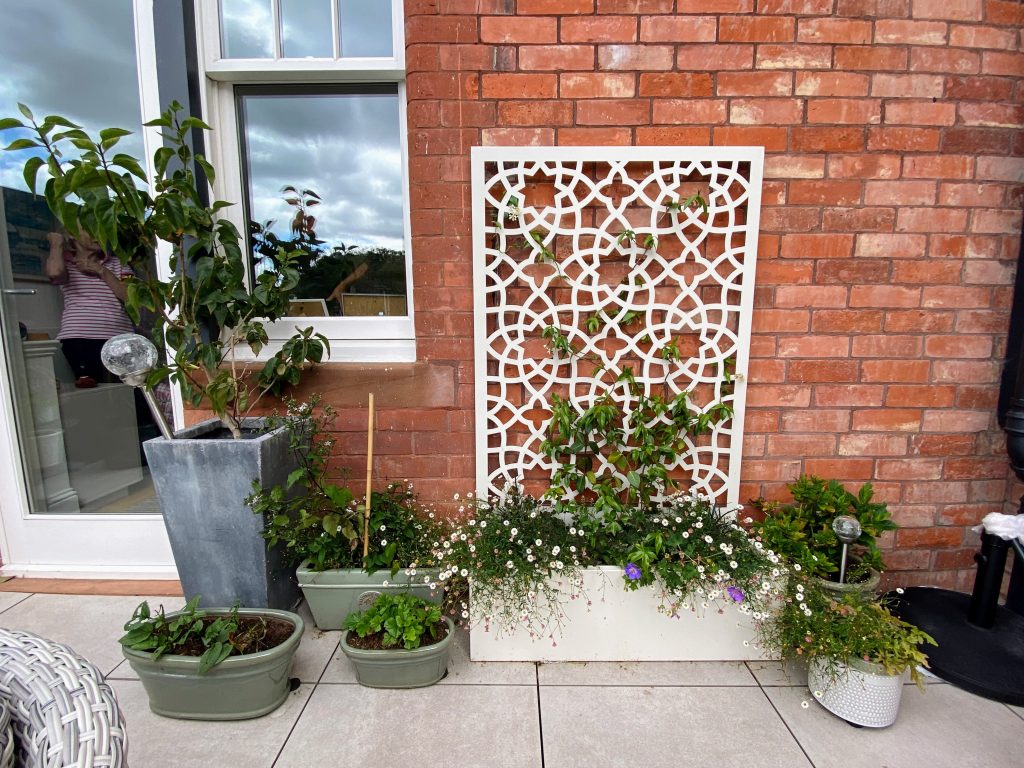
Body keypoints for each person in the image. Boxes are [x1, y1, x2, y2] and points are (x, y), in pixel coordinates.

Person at [44, 230, 135, 387]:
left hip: (121, 338)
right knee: (94, 390)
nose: (98, 233)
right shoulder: (65, 264)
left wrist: (102, 271)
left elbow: (129, 296)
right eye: (89, 228)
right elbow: (55, 273)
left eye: (99, 227)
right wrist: (56, 244)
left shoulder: (120, 264)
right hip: (80, 339)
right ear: (72, 234)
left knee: (131, 391)